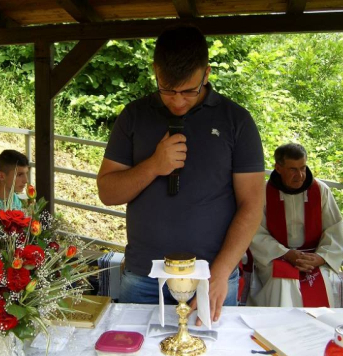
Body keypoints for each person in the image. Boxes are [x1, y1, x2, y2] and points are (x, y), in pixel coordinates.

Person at [97, 26, 265, 323]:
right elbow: (108, 193)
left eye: (189, 90)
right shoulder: (134, 115)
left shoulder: (236, 120)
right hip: (144, 276)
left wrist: (222, 272)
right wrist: (153, 165)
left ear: (207, 73)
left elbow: (252, 204)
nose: (177, 101)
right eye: (167, 90)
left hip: (211, 277)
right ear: (155, 71)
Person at [249, 143, 343, 307]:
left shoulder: (320, 190)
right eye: (293, 169)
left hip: (313, 257)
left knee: (323, 281)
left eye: (303, 167)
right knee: (282, 283)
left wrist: (320, 257)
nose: (300, 175)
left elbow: (334, 228)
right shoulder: (264, 193)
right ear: (278, 168)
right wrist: (286, 254)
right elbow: (256, 233)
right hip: (276, 255)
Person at [0, 149, 29, 214]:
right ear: (1, 176)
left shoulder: (16, 201)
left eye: (27, 174)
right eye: (19, 175)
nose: (26, 180)